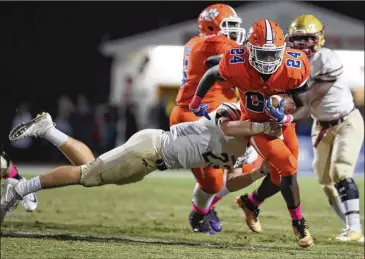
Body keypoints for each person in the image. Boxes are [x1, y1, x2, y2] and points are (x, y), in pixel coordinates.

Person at [2, 104, 281, 227]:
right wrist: (262, 125)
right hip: (150, 149)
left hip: (150, 160)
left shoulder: (249, 152)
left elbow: (229, 183)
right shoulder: (235, 113)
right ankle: (20, 189)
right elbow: (228, 125)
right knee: (87, 175)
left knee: (92, 168)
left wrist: (259, 173)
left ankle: (47, 130)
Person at [188, 19, 313, 247]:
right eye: (261, 54)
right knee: (288, 167)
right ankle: (299, 224)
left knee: (278, 178)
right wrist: (196, 102)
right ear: (249, 48)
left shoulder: (295, 64)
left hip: (284, 123)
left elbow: (306, 105)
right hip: (255, 123)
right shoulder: (236, 60)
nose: (267, 60)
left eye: (272, 54)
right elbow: (211, 73)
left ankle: (251, 202)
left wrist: (287, 117)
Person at [169, 3, 258, 233]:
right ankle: (200, 214)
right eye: (228, 26)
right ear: (211, 27)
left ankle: (202, 211)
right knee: (213, 182)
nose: (234, 33)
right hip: (198, 118)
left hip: (215, 117)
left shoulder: (200, 43)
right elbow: (227, 64)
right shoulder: (211, 42)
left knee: (248, 167)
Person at [287, 14, 364, 242]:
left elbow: (310, 97)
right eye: (297, 40)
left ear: (319, 38)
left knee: (340, 171)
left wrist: (283, 105)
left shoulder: (327, 58)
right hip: (320, 126)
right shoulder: (287, 60)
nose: (303, 45)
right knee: (324, 180)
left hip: (346, 122)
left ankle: (355, 227)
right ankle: (350, 229)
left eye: (308, 39)